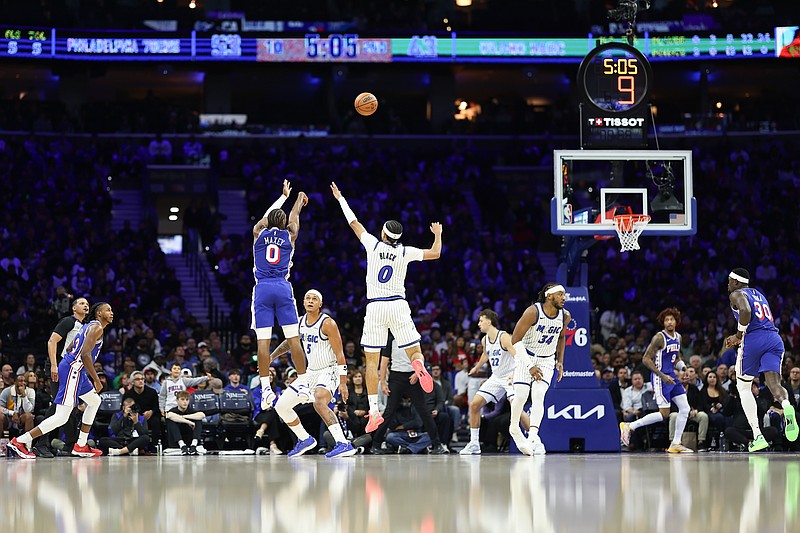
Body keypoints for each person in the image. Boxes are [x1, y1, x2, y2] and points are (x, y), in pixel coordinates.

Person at [330, 181, 442, 432]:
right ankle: (419, 364)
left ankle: (373, 412)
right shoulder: (406, 251)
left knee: (371, 362)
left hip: (376, 307)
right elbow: (435, 253)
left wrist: (340, 198)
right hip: (399, 304)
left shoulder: (373, 244)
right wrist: (438, 235)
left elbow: (354, 223)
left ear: (383, 234)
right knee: (414, 350)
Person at [9, 302, 113, 459]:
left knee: (94, 401)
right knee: (62, 416)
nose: (112, 313)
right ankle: (20, 441)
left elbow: (71, 346)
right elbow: (85, 355)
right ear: (99, 314)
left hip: (76, 369)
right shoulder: (96, 327)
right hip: (73, 370)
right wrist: (96, 379)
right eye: (108, 310)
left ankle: (81, 445)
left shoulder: (88, 326)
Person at [271, 289, 355, 458]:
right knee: (281, 406)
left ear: (320, 304)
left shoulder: (328, 323)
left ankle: (343, 443)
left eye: (314, 299)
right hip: (310, 373)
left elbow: (340, 354)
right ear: (303, 302)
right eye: (307, 298)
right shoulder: (300, 322)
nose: (310, 301)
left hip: (329, 370)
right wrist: (271, 356)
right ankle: (304, 439)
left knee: (319, 401)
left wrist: (343, 382)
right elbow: (290, 343)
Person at [724, 268, 798, 450]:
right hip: (774, 339)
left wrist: (738, 335)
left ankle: (757, 435)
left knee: (743, 386)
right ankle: (787, 405)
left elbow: (745, 310)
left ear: (735, 282)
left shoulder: (736, 294)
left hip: (754, 339)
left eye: (729, 281)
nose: (727, 284)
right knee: (774, 384)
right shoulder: (759, 294)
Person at [252, 179, 309, 411]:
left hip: (262, 288)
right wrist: (297, 201)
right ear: (283, 222)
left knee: (263, 343)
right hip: (282, 287)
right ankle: (304, 383)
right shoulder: (290, 235)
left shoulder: (257, 232)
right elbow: (293, 217)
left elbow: (267, 218)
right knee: (294, 339)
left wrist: (282, 198)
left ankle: (266, 390)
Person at [620, 307, 694, 453]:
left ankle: (676, 443)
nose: (669, 322)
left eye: (671, 319)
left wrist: (684, 369)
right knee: (664, 414)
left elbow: (676, 358)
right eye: (666, 320)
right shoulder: (659, 338)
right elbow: (646, 359)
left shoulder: (678, 337)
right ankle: (630, 426)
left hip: (671, 377)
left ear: (676, 321)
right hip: (661, 378)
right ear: (663, 322)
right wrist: (662, 376)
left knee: (685, 408)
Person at [508, 283, 569, 456]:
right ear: (549, 296)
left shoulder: (565, 316)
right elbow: (515, 340)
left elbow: (562, 337)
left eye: (565, 295)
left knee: (538, 395)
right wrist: (530, 366)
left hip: (547, 360)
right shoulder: (533, 312)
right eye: (560, 294)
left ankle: (533, 436)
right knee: (520, 396)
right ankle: (514, 428)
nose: (564, 298)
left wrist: (560, 361)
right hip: (525, 356)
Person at [461, 309, 527, 455]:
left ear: (489, 322)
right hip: (496, 378)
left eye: (481, 321)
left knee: (517, 409)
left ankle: (535, 439)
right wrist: (476, 367)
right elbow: (486, 354)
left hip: (510, 376)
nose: (478, 324)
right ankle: (474, 444)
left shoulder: (504, 337)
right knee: (474, 405)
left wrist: (516, 374)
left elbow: (517, 356)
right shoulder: (485, 340)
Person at [371, 336, 448, 454]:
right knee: (389, 412)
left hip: (413, 377)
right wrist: (382, 383)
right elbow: (384, 361)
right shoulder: (390, 338)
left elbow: (419, 355)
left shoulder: (413, 335)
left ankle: (437, 445)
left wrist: (418, 373)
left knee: (424, 411)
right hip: (396, 377)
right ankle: (375, 445)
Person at [123, 370, 161, 449]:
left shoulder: (152, 392)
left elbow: (157, 408)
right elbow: (124, 408)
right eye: (138, 379)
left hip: (149, 416)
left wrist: (151, 412)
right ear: (132, 382)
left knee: (156, 421)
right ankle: (129, 444)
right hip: (134, 416)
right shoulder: (128, 394)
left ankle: (154, 445)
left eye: (142, 379)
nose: (140, 381)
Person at [165, 390, 205, 455]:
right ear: (177, 400)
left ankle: (194, 445)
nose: (185, 402)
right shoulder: (173, 410)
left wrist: (183, 417)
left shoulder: (191, 410)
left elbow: (202, 415)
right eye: (182, 399)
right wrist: (188, 422)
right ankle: (182, 445)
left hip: (189, 438)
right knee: (171, 420)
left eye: (187, 400)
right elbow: (169, 415)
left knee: (198, 419)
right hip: (176, 441)